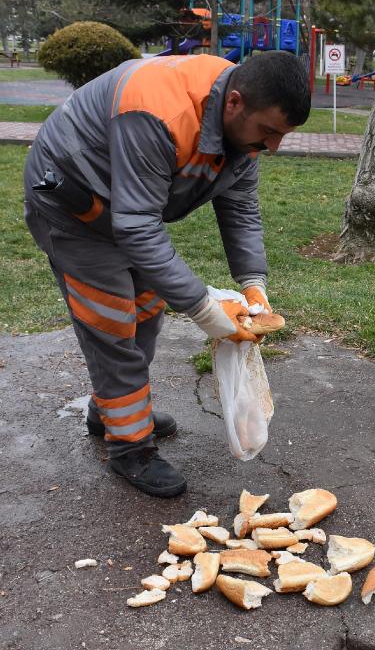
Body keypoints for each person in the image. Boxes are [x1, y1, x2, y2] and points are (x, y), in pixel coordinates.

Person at [24, 50, 311, 496]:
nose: (272, 147)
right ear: (234, 103)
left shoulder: (242, 129)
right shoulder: (157, 110)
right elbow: (136, 226)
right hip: (72, 205)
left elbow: (240, 208)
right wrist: (203, 308)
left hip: (128, 210)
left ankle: (115, 408)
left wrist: (254, 284)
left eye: (282, 136)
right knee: (112, 324)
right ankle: (130, 447)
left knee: (145, 310)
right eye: (269, 132)